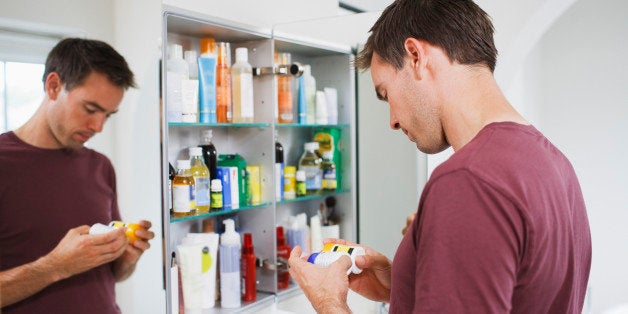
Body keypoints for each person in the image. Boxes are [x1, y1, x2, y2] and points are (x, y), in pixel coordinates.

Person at [288, 0, 591, 313]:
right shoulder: (554, 164)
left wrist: (328, 302)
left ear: (416, 56)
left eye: (386, 94)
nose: (391, 120)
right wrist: (404, 282)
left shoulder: (467, 181)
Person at [0, 38, 155, 313]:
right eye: (90, 109)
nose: (98, 126)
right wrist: (55, 267)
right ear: (53, 86)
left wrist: (126, 259)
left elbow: (112, 275)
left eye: (108, 115)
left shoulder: (100, 167)